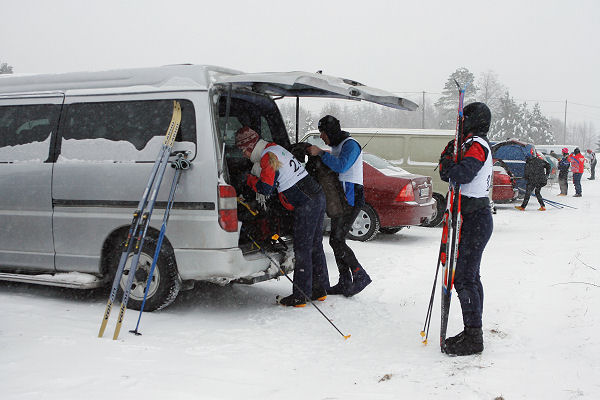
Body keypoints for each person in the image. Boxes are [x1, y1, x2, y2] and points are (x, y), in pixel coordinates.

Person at [235, 126, 329, 307]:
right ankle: (319, 289)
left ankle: (300, 296)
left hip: (306, 204)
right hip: (317, 196)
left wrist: (248, 179)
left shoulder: (267, 158)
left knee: (302, 248)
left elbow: (265, 189)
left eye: (242, 151)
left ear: (249, 148)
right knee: (315, 245)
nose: (244, 156)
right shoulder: (275, 148)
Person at [438, 102, 494, 356]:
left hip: (476, 218)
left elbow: (462, 174)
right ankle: (473, 329)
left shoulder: (478, 146)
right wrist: (448, 159)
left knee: (463, 278)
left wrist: (450, 164)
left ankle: (474, 336)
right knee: (471, 276)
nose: (460, 124)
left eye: (464, 119)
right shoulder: (467, 144)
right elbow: (445, 170)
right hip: (469, 217)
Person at [306, 115, 372, 297]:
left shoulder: (350, 144)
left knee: (337, 240)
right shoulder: (337, 145)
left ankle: (360, 275)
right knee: (336, 240)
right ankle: (345, 281)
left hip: (351, 197)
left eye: (323, 133)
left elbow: (342, 166)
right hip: (339, 198)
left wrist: (320, 153)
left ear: (331, 132)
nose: (322, 137)